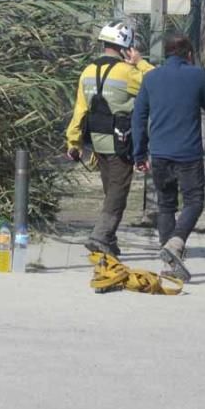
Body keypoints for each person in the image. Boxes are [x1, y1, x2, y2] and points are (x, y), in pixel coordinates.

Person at [131, 34, 205, 282]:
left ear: (166, 54)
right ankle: (175, 244)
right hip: (188, 153)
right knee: (194, 201)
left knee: (166, 205)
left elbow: (138, 118)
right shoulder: (196, 75)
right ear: (188, 54)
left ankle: (171, 263)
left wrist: (139, 152)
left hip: (159, 153)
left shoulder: (151, 77)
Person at [65, 22, 154, 256]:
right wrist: (140, 62)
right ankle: (100, 235)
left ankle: (109, 242)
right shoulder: (128, 72)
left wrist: (73, 143)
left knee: (111, 191)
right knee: (118, 192)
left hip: (96, 142)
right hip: (121, 143)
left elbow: (80, 110)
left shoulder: (87, 72)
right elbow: (157, 82)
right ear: (126, 47)